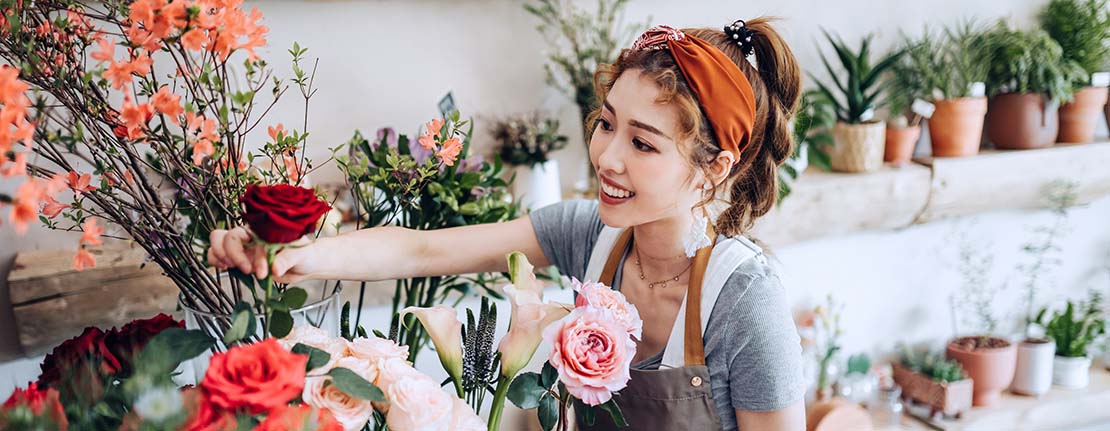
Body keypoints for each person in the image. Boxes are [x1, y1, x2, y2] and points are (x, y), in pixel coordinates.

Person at [208, 17, 805, 431]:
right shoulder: (589, 235)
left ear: (713, 169)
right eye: (606, 123)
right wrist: (295, 253)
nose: (606, 157)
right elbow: (421, 254)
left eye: (643, 144)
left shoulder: (744, 299)